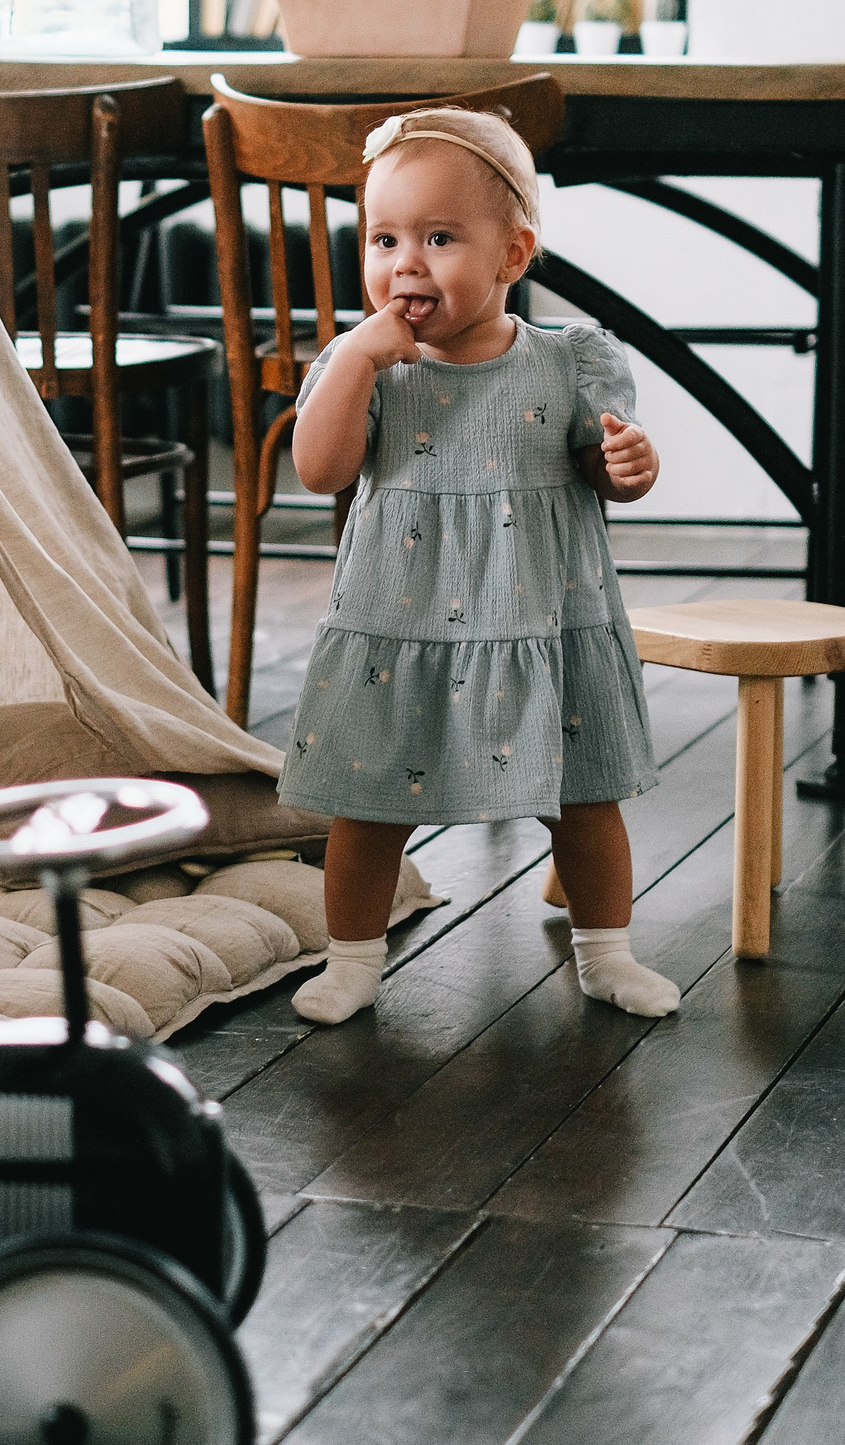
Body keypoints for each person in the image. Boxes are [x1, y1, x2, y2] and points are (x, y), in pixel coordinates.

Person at [277, 106, 679, 1026]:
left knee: (583, 799)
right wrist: (353, 364)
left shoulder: (569, 361)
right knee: (369, 804)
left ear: (513, 255)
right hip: (399, 624)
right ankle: (352, 959)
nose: (405, 263)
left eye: (440, 237)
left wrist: (627, 465)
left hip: (540, 618)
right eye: (383, 238)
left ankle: (607, 952)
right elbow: (320, 469)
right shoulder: (368, 365)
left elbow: (598, 462)